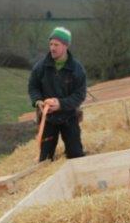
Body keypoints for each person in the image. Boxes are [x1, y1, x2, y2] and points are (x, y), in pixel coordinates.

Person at [28, 26, 87, 161]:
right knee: (44, 159)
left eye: (56, 44)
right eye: (51, 44)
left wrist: (61, 104)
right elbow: (33, 87)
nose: (52, 48)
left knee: (76, 155)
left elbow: (80, 95)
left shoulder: (77, 69)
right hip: (48, 119)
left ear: (65, 46)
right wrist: (38, 101)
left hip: (69, 117)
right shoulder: (40, 67)